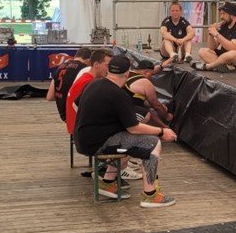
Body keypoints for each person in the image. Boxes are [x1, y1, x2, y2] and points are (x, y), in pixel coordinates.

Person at [74, 55, 178, 207]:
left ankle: (108, 182)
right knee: (152, 143)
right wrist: (162, 132)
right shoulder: (118, 94)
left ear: (108, 70)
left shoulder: (93, 83)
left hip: (81, 139)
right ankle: (150, 195)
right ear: (127, 73)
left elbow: (76, 105)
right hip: (98, 143)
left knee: (126, 140)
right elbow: (134, 128)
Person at [192, 2, 236, 72]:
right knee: (202, 51)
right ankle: (225, 67)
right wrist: (211, 34)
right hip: (226, 57)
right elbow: (212, 47)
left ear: (232, 14)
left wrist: (216, 34)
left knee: (232, 54)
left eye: (223, 14)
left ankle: (208, 66)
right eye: (220, 14)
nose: (221, 17)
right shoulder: (224, 25)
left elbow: (233, 48)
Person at [46, 46, 92, 122]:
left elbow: (50, 97)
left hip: (64, 114)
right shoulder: (85, 70)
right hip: (77, 113)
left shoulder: (60, 67)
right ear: (88, 61)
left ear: (75, 56)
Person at [125, 59, 174, 128]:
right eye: (152, 74)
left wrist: (161, 66)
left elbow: (151, 70)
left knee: (149, 107)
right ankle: (162, 130)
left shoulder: (127, 73)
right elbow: (157, 107)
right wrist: (167, 116)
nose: (151, 77)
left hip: (121, 106)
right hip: (127, 114)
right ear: (147, 72)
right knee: (153, 112)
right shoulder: (144, 82)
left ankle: (164, 127)